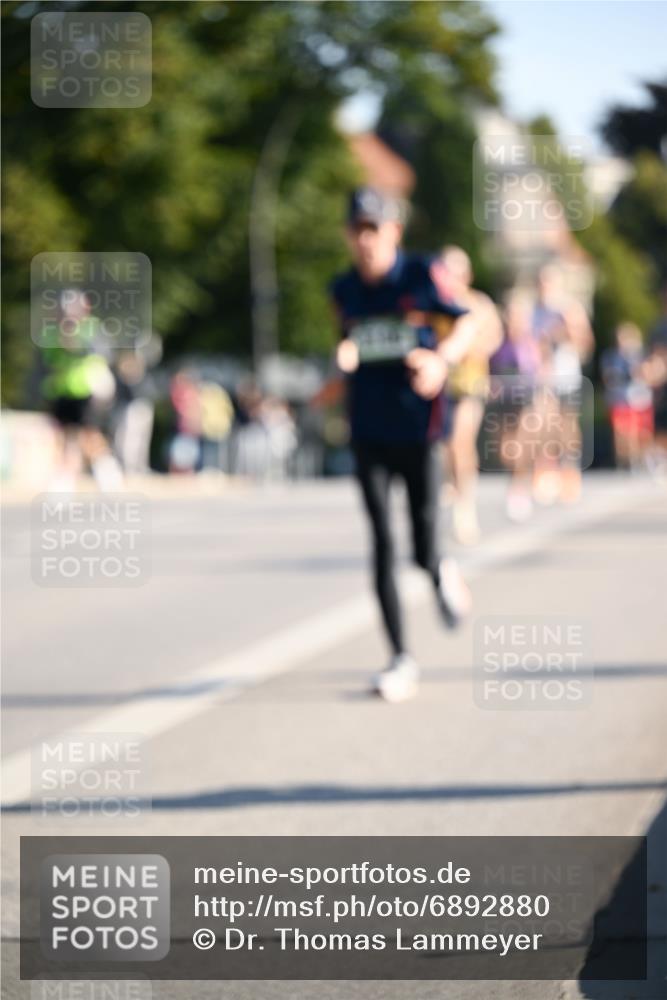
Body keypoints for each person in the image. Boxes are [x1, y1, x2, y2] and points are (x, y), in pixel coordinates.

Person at [330, 187, 474, 702]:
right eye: (358, 230)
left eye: (375, 229)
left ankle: (440, 570)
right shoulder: (343, 289)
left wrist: (442, 362)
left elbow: (466, 321)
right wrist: (343, 353)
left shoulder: (420, 274)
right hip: (368, 427)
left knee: (421, 545)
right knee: (381, 543)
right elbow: (344, 338)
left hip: (418, 427)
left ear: (393, 231)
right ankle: (399, 658)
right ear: (350, 235)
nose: (366, 240)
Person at [438, 246, 503, 544]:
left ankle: (465, 506)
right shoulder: (434, 303)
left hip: (470, 384)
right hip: (440, 386)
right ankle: (450, 484)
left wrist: (471, 346)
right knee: (444, 446)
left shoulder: (479, 304)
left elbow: (494, 337)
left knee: (461, 442)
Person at [601, 322, 653, 470]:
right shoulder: (610, 356)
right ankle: (625, 461)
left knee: (641, 432)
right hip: (620, 399)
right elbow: (609, 378)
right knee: (623, 432)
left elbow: (646, 374)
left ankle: (641, 459)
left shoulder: (640, 355)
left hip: (639, 399)